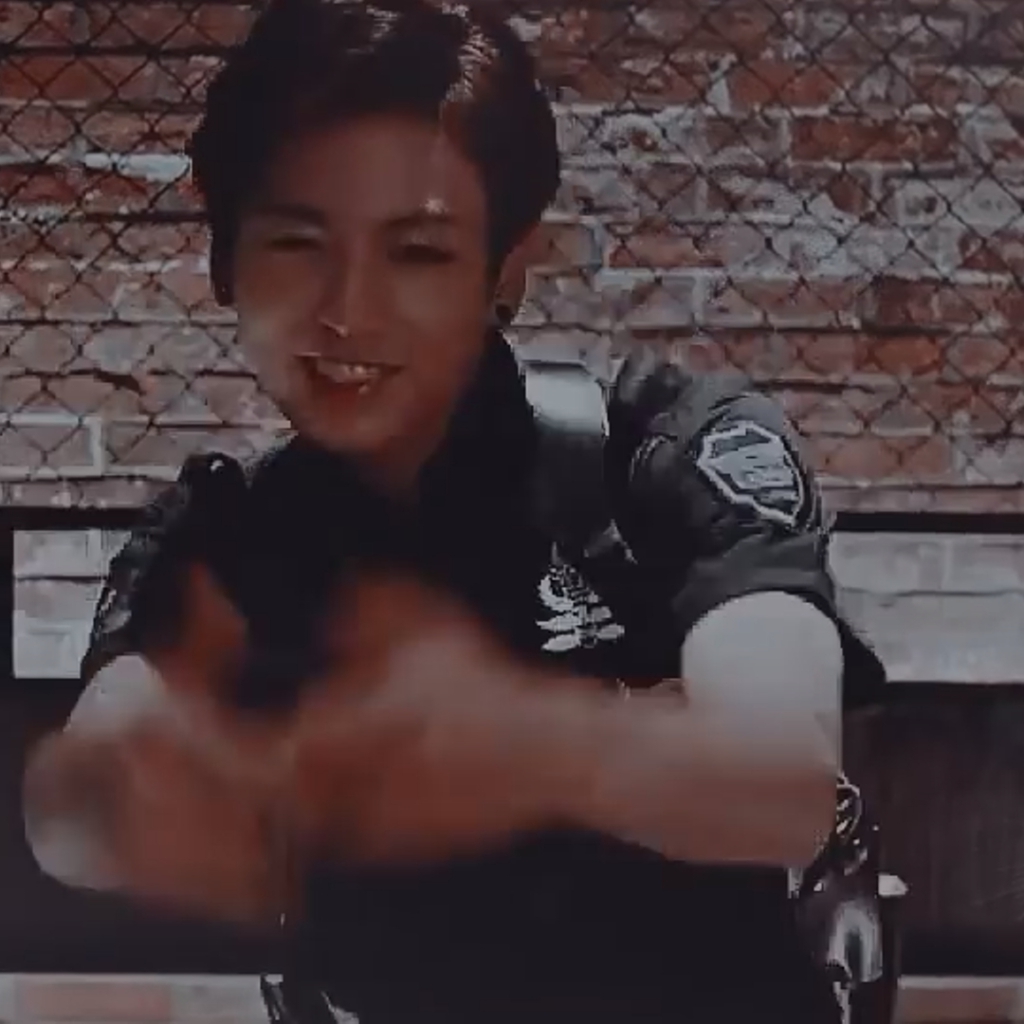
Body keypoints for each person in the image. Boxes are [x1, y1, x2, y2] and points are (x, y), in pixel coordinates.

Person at [21, 0, 888, 1021]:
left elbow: (783, 785)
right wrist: (135, 796)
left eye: (417, 252)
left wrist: (514, 738)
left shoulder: (666, 454)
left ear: (507, 264)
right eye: (296, 244)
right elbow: (85, 798)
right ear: (226, 259)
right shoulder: (228, 532)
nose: (348, 310)